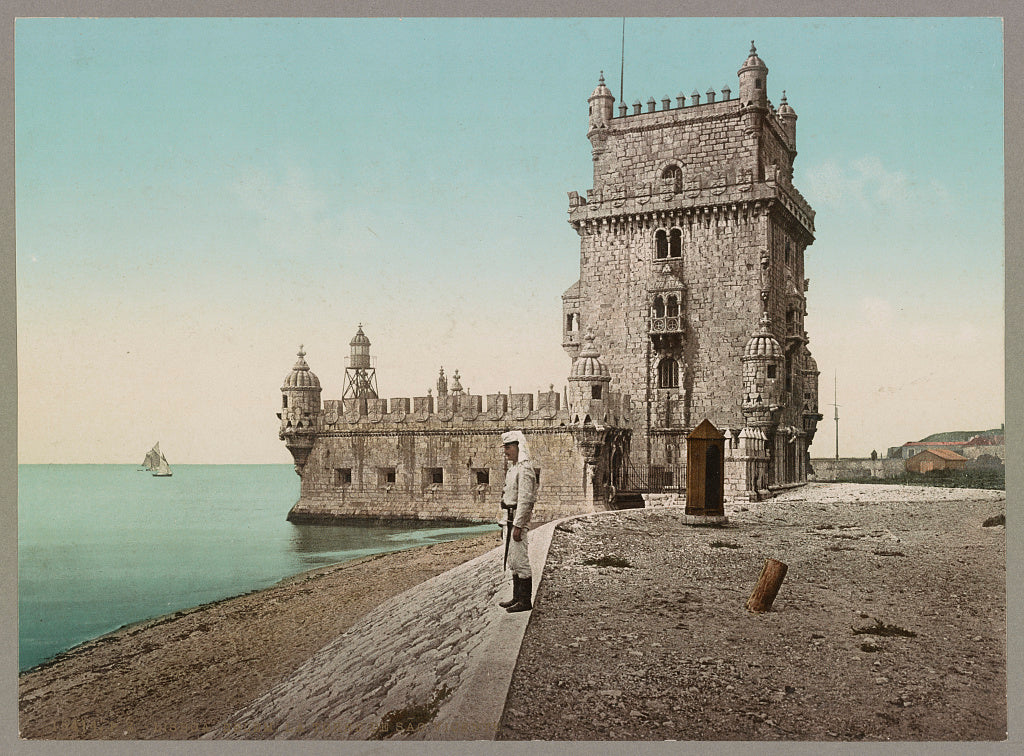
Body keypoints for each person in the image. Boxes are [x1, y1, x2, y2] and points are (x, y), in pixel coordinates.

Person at [497, 430, 537, 613]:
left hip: (516, 520)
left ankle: (525, 600)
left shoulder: (525, 469)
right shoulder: (514, 468)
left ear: (518, 447)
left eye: (508, 447)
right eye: (505, 447)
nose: (506, 451)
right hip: (509, 519)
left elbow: (526, 499)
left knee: (520, 560)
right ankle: (516, 596)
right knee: (513, 561)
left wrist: (519, 525)